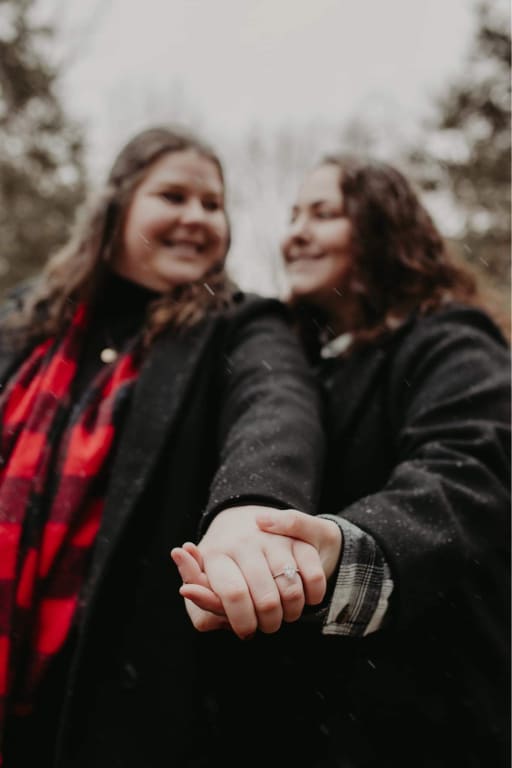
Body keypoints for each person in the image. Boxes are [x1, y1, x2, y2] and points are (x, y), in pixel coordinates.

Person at [0, 125, 327, 767]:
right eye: (173, 195)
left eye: (213, 203)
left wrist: (252, 509)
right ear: (117, 205)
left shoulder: (238, 323)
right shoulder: (23, 321)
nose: (197, 218)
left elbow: (276, 404)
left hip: (113, 699)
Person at [173, 155, 511, 767]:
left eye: (322, 214)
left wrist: (351, 545)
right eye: (293, 215)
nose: (294, 232)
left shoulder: (450, 340)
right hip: (313, 731)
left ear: (384, 227)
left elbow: (468, 468)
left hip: (435, 722)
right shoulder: (308, 369)